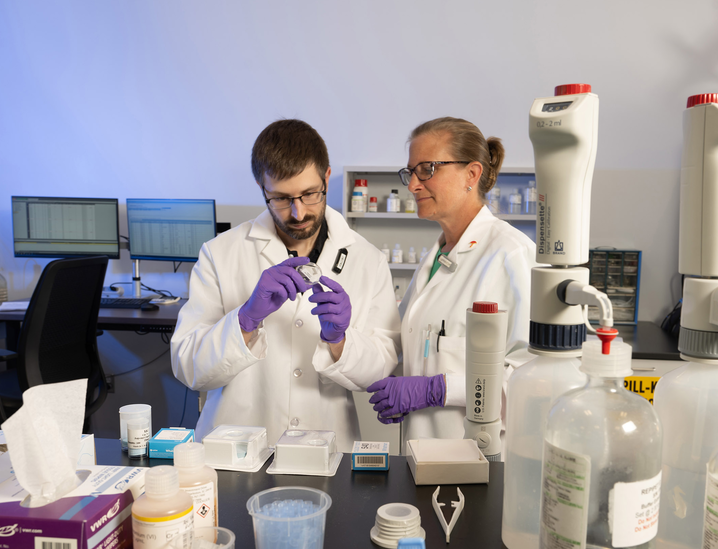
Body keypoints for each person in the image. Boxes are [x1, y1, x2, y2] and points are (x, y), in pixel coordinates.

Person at [171, 119, 401, 452]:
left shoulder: (368, 260)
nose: (298, 212)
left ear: (326, 177)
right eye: (280, 198)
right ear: (261, 187)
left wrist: (340, 341)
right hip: (235, 452)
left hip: (327, 451)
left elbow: (379, 373)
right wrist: (246, 320)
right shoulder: (220, 253)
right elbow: (188, 368)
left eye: (310, 194)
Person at [366, 117, 535, 446]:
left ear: (472, 174)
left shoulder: (511, 255)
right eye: (410, 172)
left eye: (427, 169)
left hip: (482, 461)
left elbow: (532, 383)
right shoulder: (436, 260)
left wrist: (437, 390)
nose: (414, 185)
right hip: (424, 455)